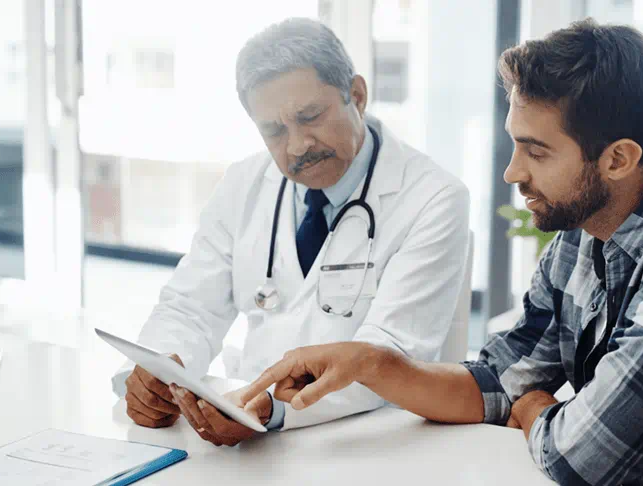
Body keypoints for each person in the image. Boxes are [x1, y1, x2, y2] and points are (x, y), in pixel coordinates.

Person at [239, 19, 643, 485]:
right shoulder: (588, 225)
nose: (511, 172)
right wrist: (372, 362)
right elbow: (498, 381)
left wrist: (533, 412)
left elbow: (583, 457)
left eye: (536, 151)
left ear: (618, 158)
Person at [111, 17, 471, 447]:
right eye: (274, 130)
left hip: (373, 443)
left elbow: (387, 357)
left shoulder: (434, 197)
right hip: (245, 431)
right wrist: (161, 377)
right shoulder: (243, 183)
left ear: (356, 95)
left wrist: (276, 409)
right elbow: (190, 309)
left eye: (310, 117)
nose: (297, 145)